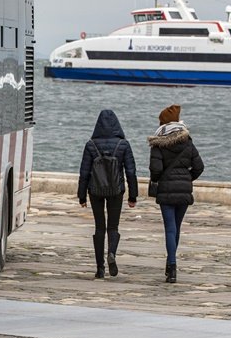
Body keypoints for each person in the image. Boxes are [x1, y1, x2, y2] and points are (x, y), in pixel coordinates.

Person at [78, 109, 138, 279]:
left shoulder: (91, 145)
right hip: (116, 190)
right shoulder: (123, 145)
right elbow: (131, 172)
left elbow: (84, 172)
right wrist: (133, 196)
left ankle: (100, 269)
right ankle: (111, 253)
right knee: (113, 226)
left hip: (95, 190)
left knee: (99, 228)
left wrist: (81, 196)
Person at [148, 104, 204, 284]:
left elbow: (155, 170)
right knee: (176, 228)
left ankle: (171, 265)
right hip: (184, 190)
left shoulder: (158, 143)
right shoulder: (188, 141)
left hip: (166, 190)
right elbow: (199, 167)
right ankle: (170, 263)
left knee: (169, 228)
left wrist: (160, 178)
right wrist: (187, 178)